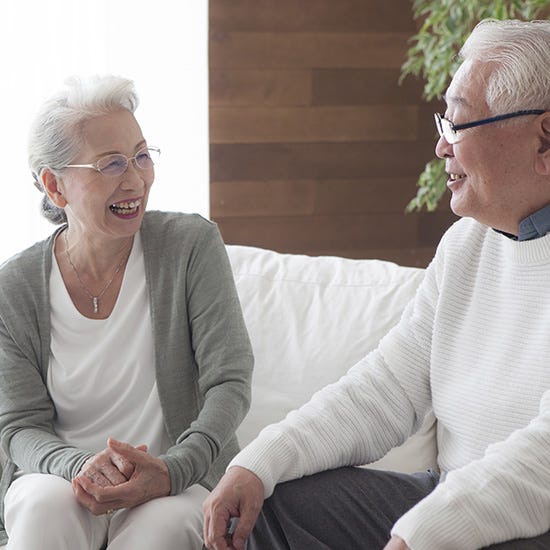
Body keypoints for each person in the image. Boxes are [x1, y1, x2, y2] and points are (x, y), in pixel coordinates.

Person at [203, 18, 550, 550]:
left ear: (543, 137)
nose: (441, 146)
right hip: (449, 498)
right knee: (267, 506)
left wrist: (422, 533)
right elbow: (384, 389)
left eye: (459, 123)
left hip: (534, 526)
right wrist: (259, 462)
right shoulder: (466, 246)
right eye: (444, 121)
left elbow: (543, 459)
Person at [0, 75, 254, 550]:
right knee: (40, 511)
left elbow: (230, 381)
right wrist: (78, 466)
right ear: (55, 187)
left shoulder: (190, 246)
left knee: (162, 531)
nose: (135, 179)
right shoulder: (13, 288)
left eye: (141, 155)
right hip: (61, 477)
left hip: (173, 478)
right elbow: (19, 425)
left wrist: (174, 468)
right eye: (111, 163)